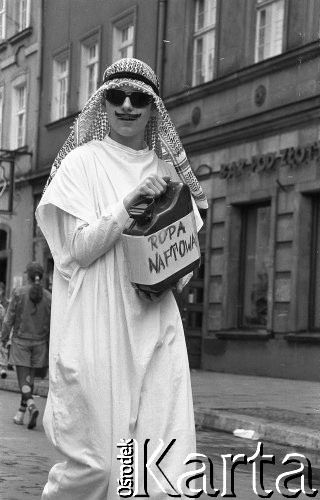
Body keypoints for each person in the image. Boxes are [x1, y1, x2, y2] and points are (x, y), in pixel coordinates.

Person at [36, 58, 208, 499]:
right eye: (117, 96)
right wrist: (126, 207)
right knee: (99, 464)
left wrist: (175, 256)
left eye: (139, 98)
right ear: (103, 104)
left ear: (154, 109)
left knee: (158, 462)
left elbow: (182, 263)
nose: (127, 105)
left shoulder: (167, 171)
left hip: (154, 321)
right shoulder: (82, 163)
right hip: (97, 325)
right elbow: (79, 249)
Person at [1, 262, 51, 429]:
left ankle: (31, 405)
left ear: (27, 276)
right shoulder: (48, 297)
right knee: (29, 380)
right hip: (41, 344)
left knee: (23, 380)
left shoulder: (18, 293)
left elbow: (9, 319)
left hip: (21, 342)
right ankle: (21, 413)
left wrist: (3, 337)